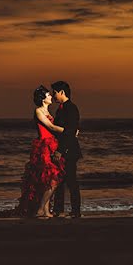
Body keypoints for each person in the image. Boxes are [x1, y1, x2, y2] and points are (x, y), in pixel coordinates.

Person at [15, 86, 66, 218]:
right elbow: (50, 127)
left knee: (50, 180)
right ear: (43, 98)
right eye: (48, 95)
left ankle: (46, 211)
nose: (51, 97)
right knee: (52, 180)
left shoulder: (48, 112)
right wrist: (69, 131)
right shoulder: (38, 111)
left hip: (52, 145)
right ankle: (40, 209)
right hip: (44, 147)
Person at [51, 80, 81, 218]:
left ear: (62, 92)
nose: (53, 95)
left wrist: (60, 150)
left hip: (69, 150)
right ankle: (59, 209)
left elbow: (70, 131)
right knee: (60, 181)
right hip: (65, 148)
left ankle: (75, 211)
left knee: (71, 181)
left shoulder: (71, 108)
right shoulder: (62, 108)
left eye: (55, 92)